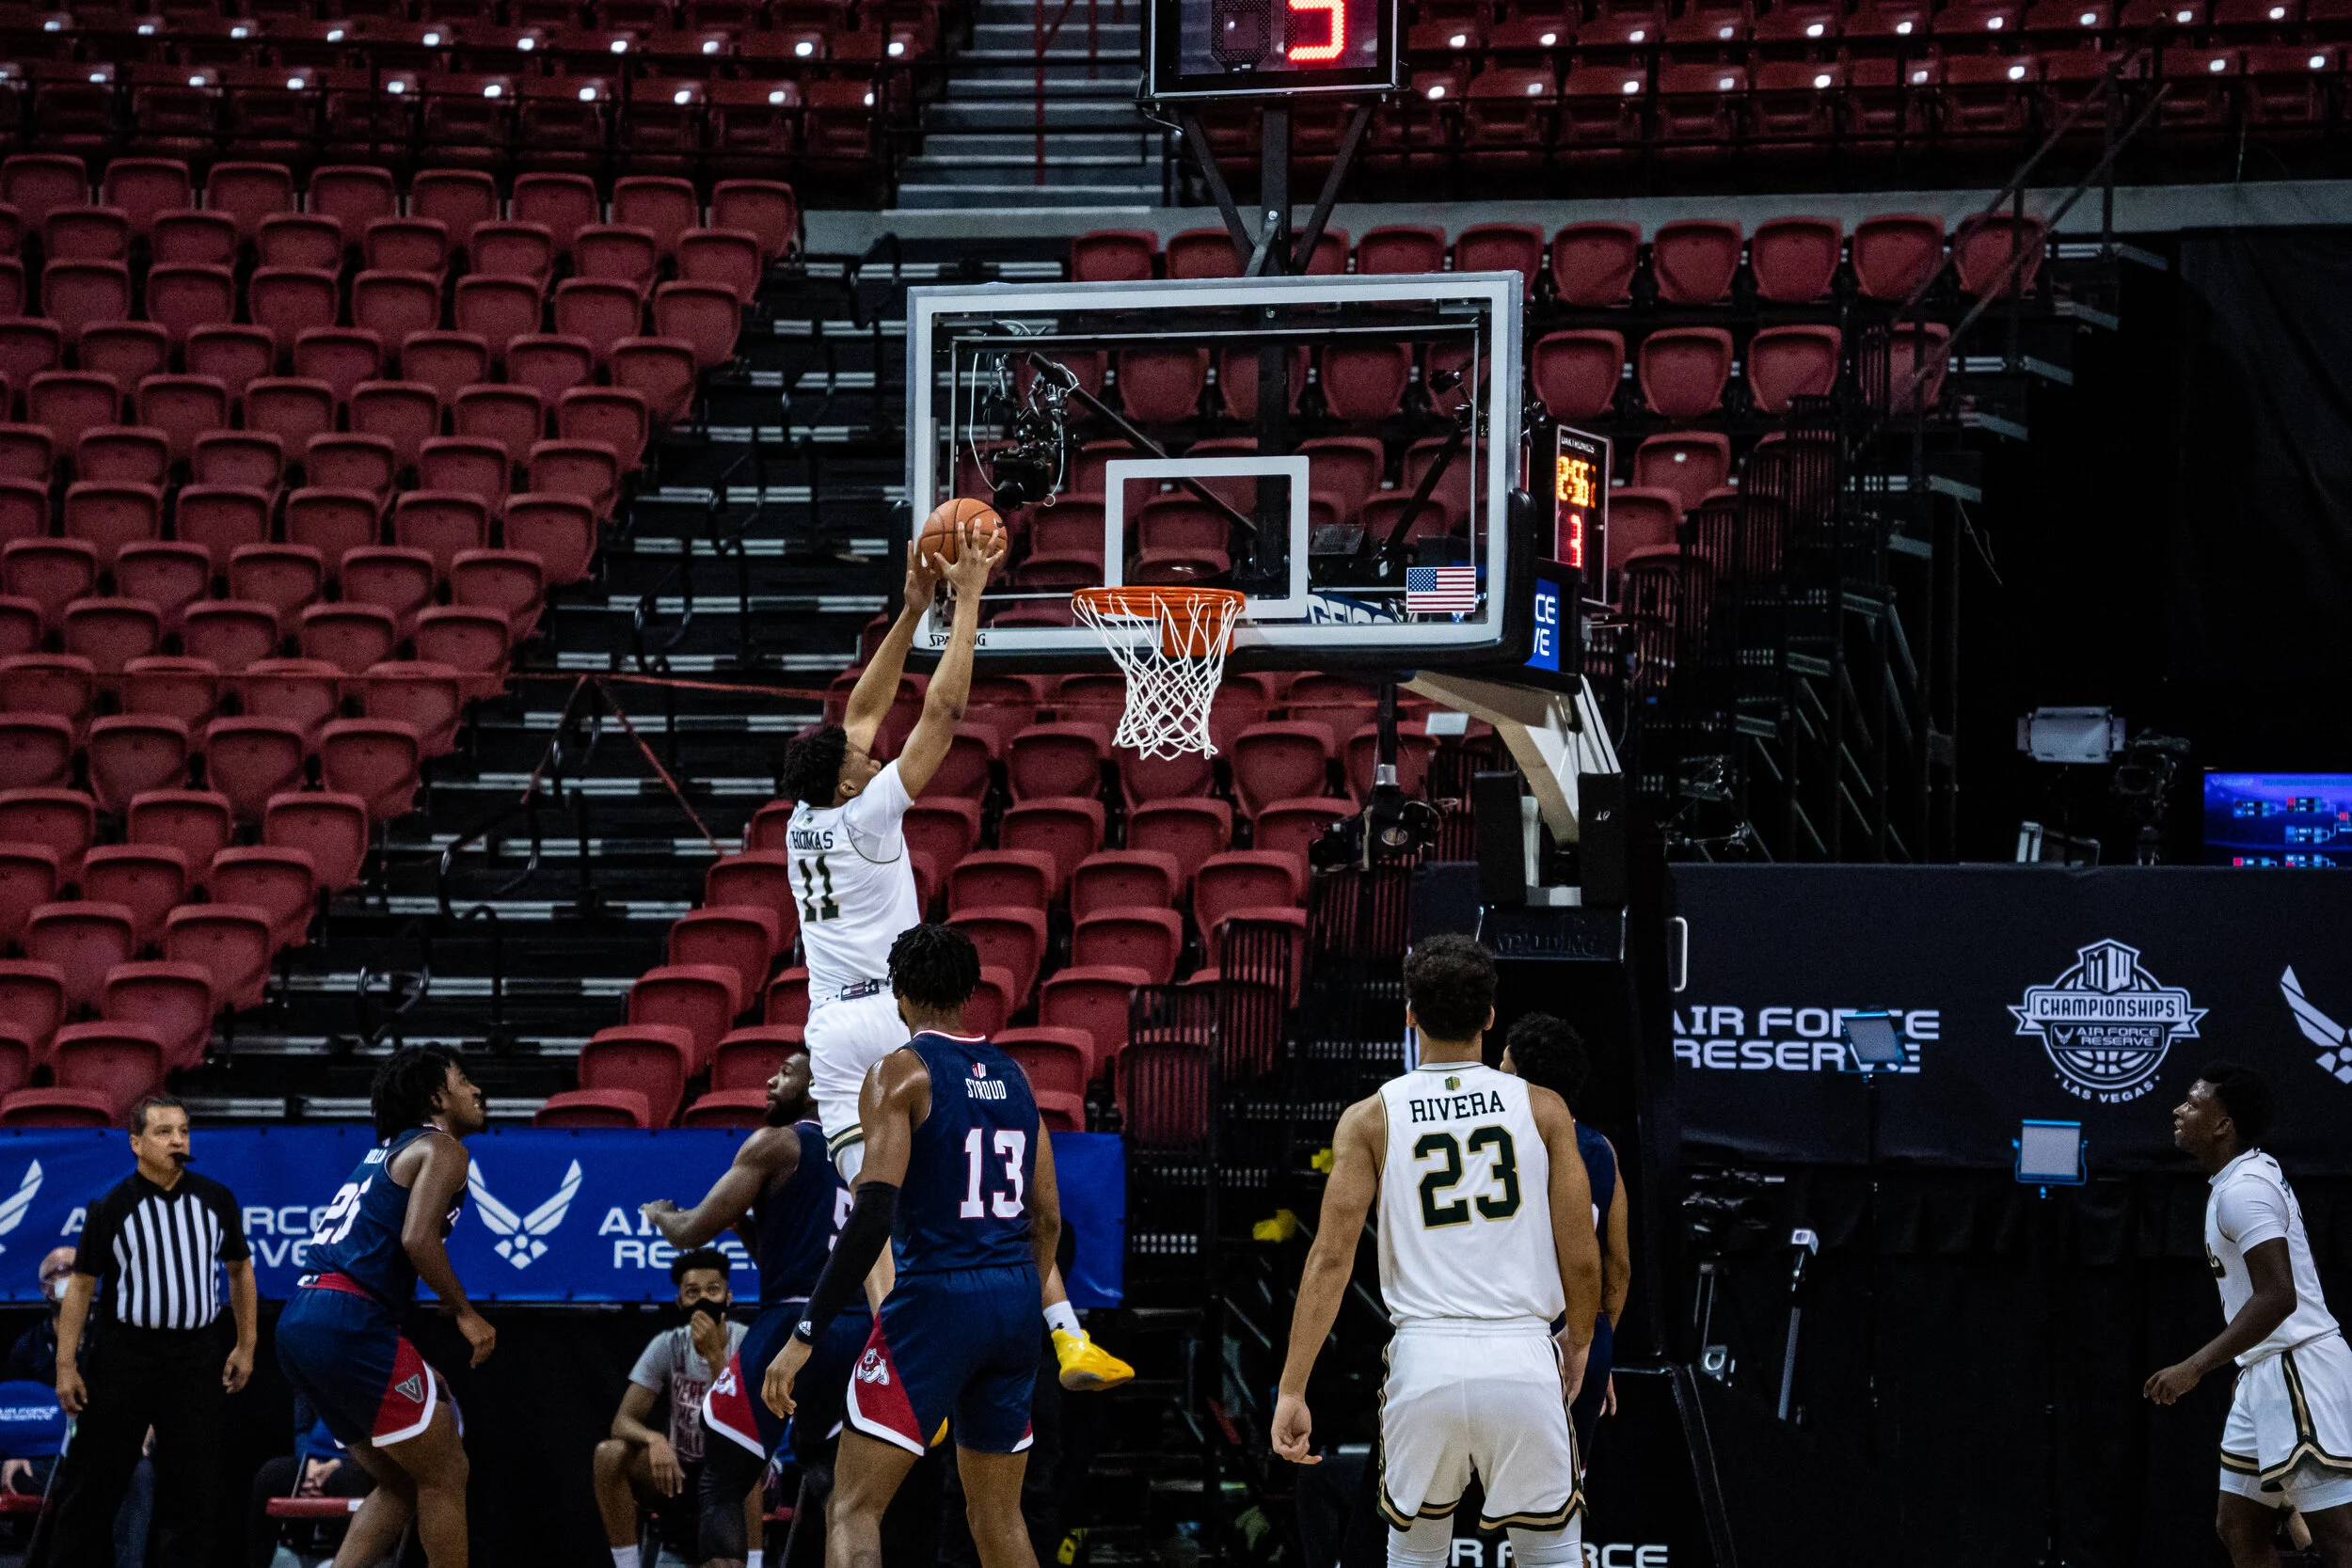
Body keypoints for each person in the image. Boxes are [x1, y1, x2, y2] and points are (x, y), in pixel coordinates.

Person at [774, 519, 1128, 1394]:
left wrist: (909, 609)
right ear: (851, 780)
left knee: (878, 1213)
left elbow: (860, 712)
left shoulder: (800, 822)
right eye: (862, 759)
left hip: (830, 1029)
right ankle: (1065, 1332)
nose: (871, 749)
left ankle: (898, 1365)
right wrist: (965, 601)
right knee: (975, 1198)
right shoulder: (867, 814)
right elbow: (944, 713)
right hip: (896, 1020)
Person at [1271, 934, 1602, 1565]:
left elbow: (1330, 1261)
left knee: (1415, 1555)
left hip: (1424, 1361)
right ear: (1488, 1016)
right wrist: (1580, 1339)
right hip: (1522, 1356)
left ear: (1409, 1013)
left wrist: (1293, 1386)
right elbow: (1581, 1252)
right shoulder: (1544, 1110)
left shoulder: (1371, 1117)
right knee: (1552, 1556)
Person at [764, 924, 1064, 1568]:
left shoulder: (900, 1073)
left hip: (936, 1298)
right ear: (971, 991)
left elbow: (871, 1218)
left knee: (852, 1506)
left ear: (897, 994)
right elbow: (1048, 1219)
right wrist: (1013, 1300)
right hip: (1015, 1295)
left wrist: (804, 1334)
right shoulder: (1017, 1077)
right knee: (999, 1517)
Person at [642, 1048, 865, 1568]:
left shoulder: (776, 1143)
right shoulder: (862, 1153)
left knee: (723, 1477)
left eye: (786, 1073)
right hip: (853, 1324)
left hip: (792, 1321)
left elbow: (690, 1232)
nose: (769, 1079)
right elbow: (792, 1255)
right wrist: (750, 1225)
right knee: (834, 1481)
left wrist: (663, 1216)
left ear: (814, 1089)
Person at [276, 1044, 495, 1568]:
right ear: (437, 1097)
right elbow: (419, 1239)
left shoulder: (386, 1152)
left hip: (303, 1318)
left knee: (400, 1481)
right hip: (348, 1320)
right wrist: (466, 1311)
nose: (477, 1089)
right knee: (447, 1471)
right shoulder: (442, 1149)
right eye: (463, 1079)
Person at [2147, 1061, 2352, 1568]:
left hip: (2298, 1368)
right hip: (2265, 1372)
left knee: (2340, 1539)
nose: (2179, 1109)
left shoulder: (2245, 1190)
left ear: (2222, 1125)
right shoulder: (2241, 1176)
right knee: (2239, 1527)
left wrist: (2195, 1366)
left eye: (2193, 1103)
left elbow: (2278, 1295)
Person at [47, 1094, 258, 1568]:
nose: (178, 1140)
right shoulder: (111, 1207)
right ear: (136, 1143)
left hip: (197, 1355)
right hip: (125, 1355)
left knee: (195, 1491)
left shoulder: (215, 1198)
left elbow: (241, 1272)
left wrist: (246, 1345)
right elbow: (81, 1286)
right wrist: (66, 1365)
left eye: (183, 1130)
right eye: (164, 1132)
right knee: (94, 1484)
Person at [1500, 1012, 1632, 1465]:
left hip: (1517, 1336)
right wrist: (1593, 1345)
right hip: (1579, 1335)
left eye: (1505, 1067)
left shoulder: (1502, 1150)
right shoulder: (1601, 1149)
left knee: (1479, 1513)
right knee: (1561, 1505)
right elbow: (1617, 1266)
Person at [594, 1248, 755, 1568]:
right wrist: (655, 1440)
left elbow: (745, 1425)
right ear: (680, 1302)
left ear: (729, 1297)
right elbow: (622, 1421)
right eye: (693, 1292)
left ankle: (755, 1562)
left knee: (748, 1460)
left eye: (713, 1290)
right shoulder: (667, 1344)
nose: (704, 1299)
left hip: (742, 1472)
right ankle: (627, 1564)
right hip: (684, 1470)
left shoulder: (748, 1342)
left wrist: (714, 1358)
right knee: (609, 1454)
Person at [244, 1416, 372, 1568]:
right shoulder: (310, 1391)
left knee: (344, 1479)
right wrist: (310, 1461)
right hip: (315, 1459)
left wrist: (338, 1462)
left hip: (364, 1460)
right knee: (270, 1476)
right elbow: (303, 1428)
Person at [4, 1249, 81, 1386]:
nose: (76, 1277)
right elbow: (17, 1398)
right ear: (45, 1288)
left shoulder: (110, 1335)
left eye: (81, 1269)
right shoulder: (28, 1347)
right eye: (65, 1270)